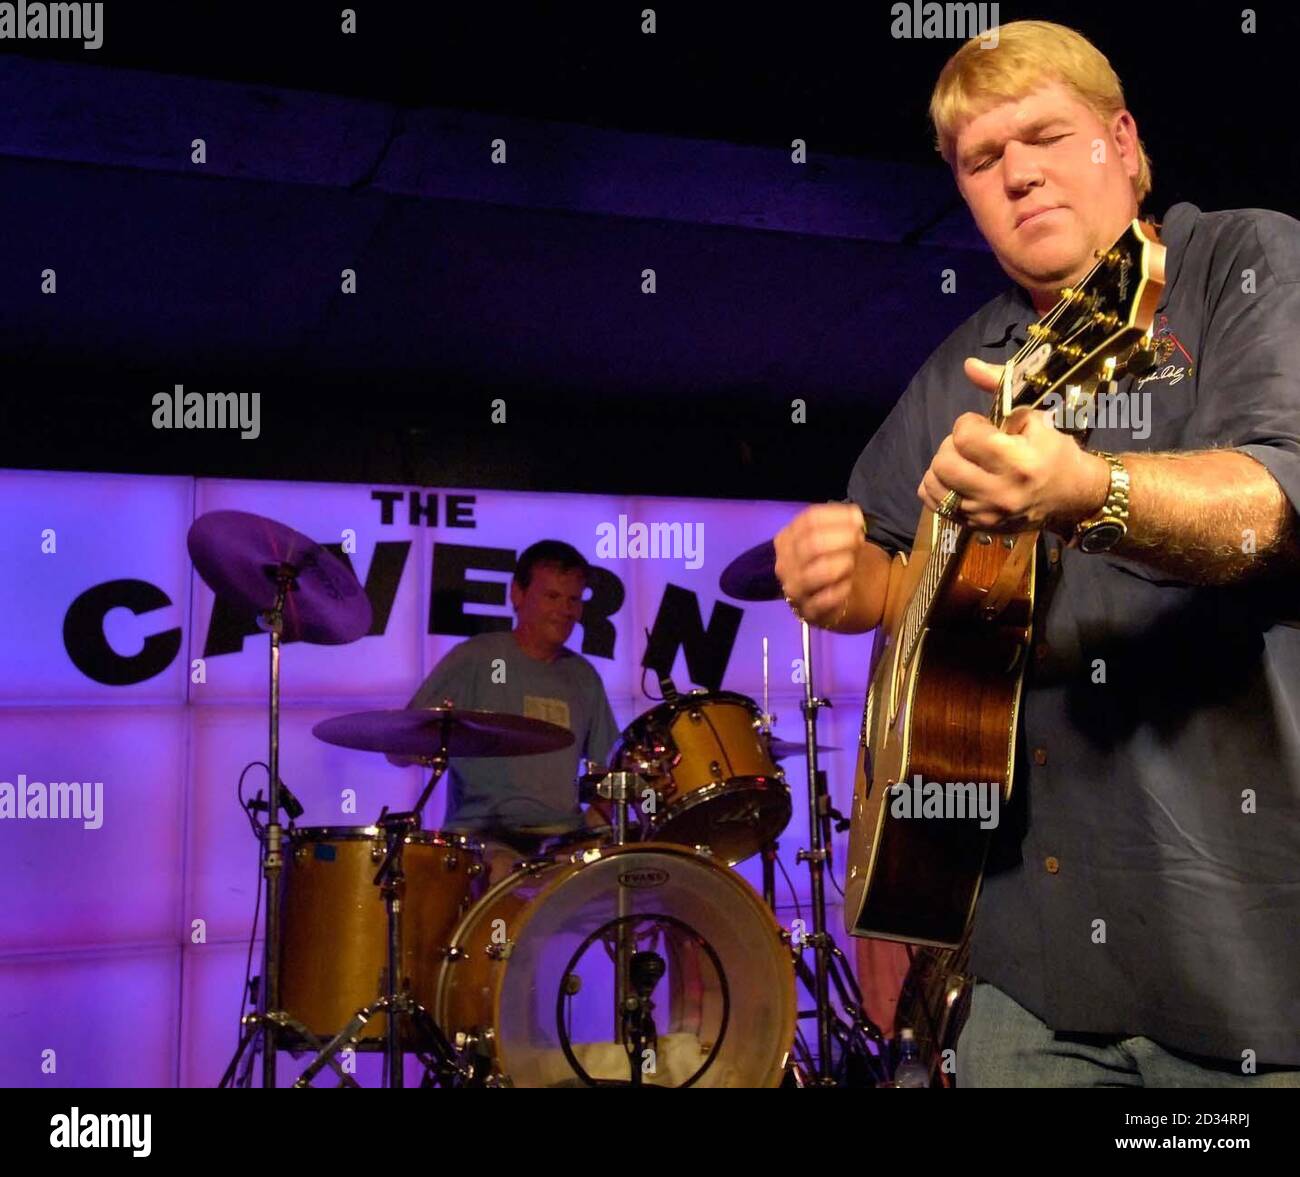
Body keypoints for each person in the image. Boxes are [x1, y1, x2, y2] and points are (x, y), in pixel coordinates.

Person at [775, 20, 1300, 1087]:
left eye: (1045, 136)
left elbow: (1275, 502)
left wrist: (1087, 492)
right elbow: (892, 579)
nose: (1017, 174)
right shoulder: (970, 358)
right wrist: (839, 578)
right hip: (1025, 965)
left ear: (1122, 140)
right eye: (980, 159)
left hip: (1250, 950)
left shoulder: (1241, 260)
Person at [404, 539, 620, 884]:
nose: (565, 610)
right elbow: (404, 741)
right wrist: (421, 748)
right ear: (517, 595)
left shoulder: (583, 676)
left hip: (562, 838)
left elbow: (609, 769)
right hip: (484, 838)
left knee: (649, 871)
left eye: (574, 600)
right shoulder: (476, 658)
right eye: (552, 596)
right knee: (504, 869)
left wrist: (599, 815)